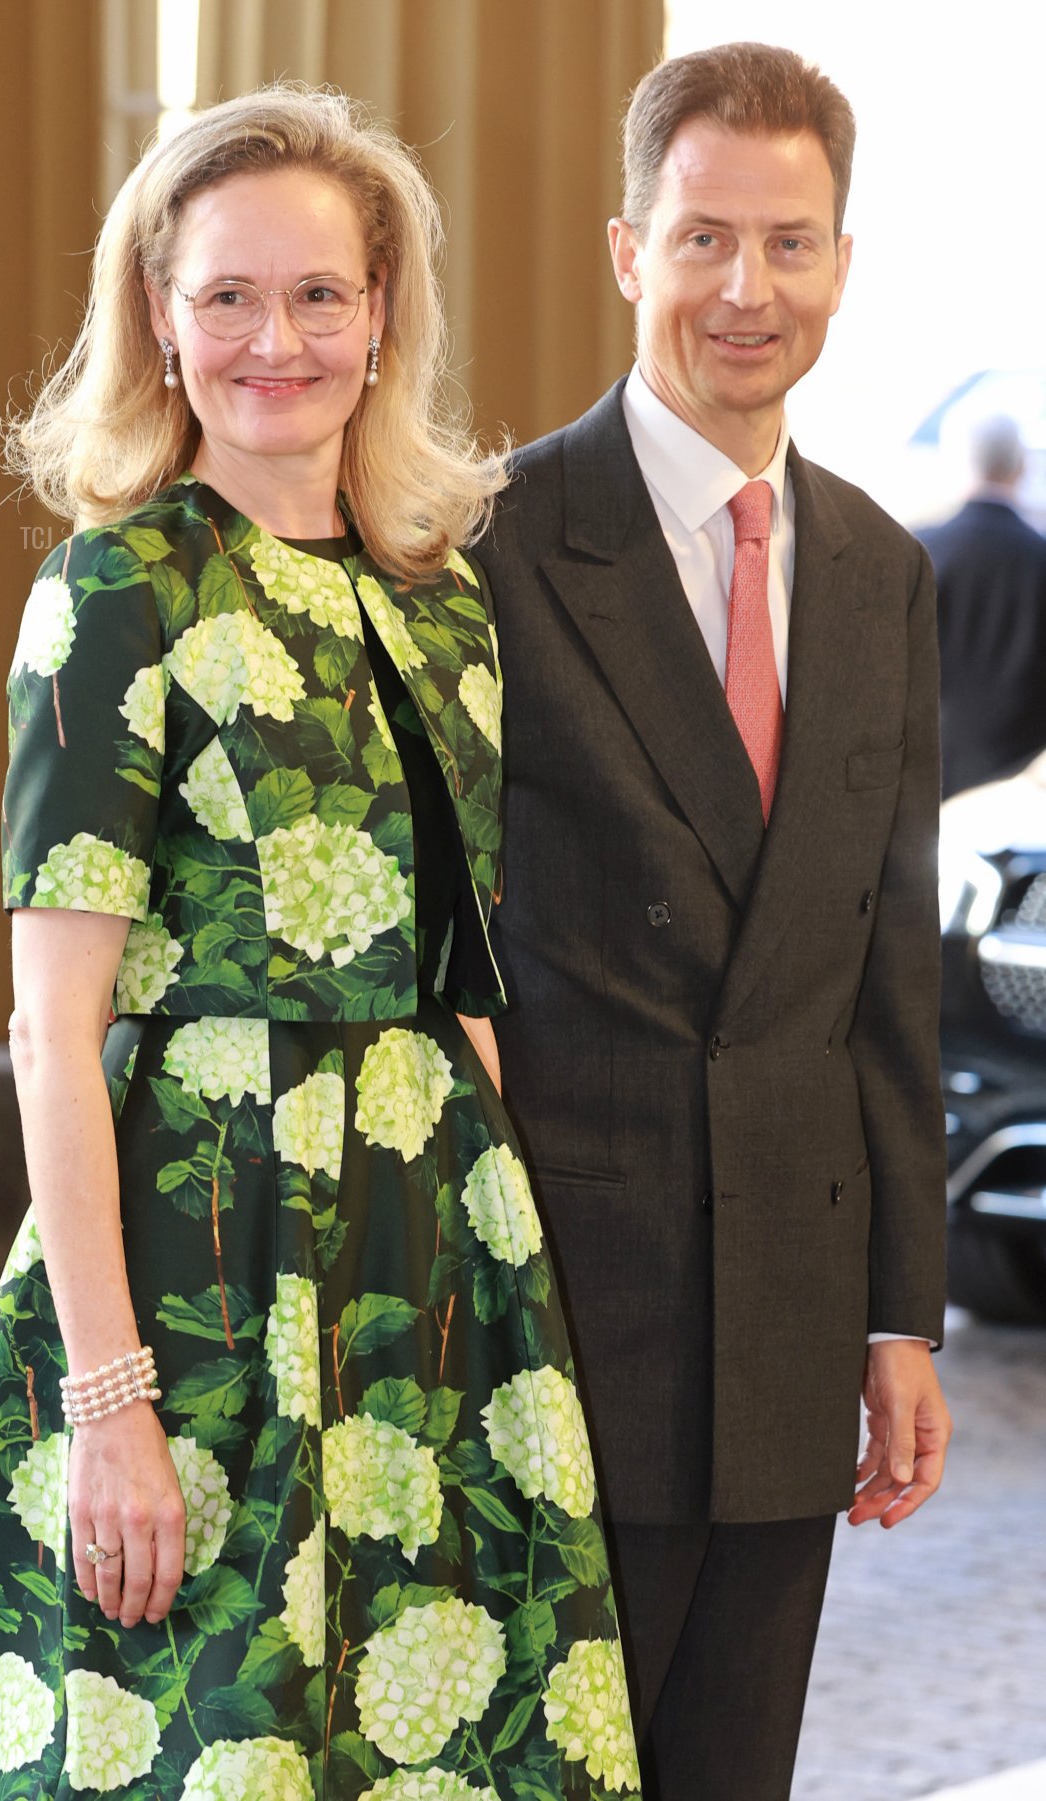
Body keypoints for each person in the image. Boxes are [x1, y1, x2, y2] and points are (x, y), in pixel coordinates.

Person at [0, 87, 640, 1800]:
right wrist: (108, 1399)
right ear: (156, 315)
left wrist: (501, 1297)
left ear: (385, 314)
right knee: (208, 1739)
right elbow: (50, 1029)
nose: (275, 339)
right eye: (225, 293)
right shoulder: (116, 590)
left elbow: (468, 975)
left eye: (319, 293)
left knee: (437, 1734)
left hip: (426, 1249)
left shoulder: (442, 593)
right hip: (199, 1247)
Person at [483, 41, 952, 1801]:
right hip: (562, 1316)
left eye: (790, 243)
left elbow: (880, 976)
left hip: (783, 1307)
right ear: (628, 251)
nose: (746, 290)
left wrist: (896, 1318)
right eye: (703, 240)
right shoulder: (494, 546)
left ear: (839, 263)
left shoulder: (880, 571)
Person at [918, 413, 1046, 798]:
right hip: (1021, 776)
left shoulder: (918, 553)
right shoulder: (1039, 558)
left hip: (930, 770)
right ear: (1021, 467)